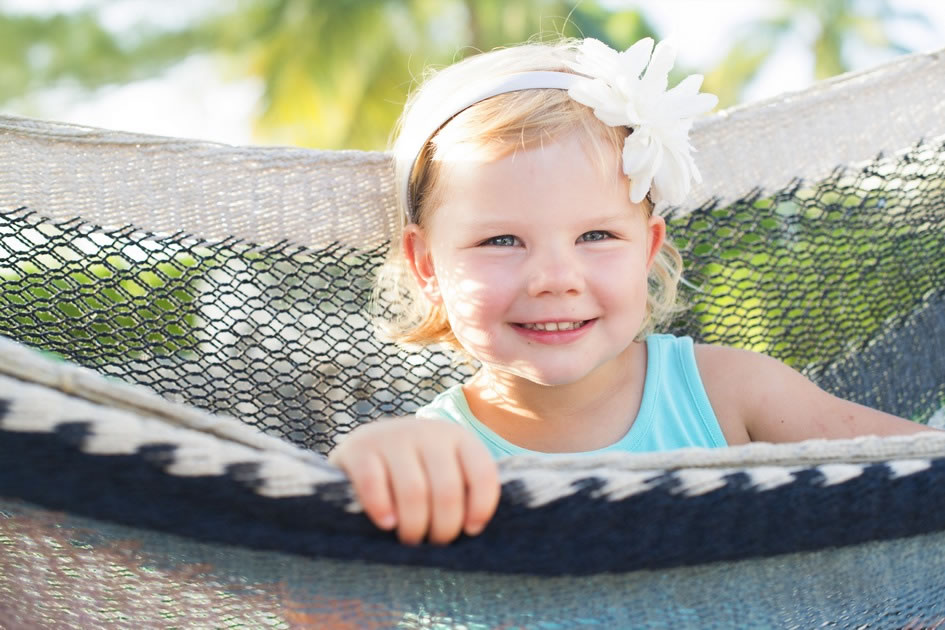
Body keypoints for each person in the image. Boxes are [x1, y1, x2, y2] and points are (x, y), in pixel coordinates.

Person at [328, 36, 933, 546]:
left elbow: (924, 471)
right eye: (502, 241)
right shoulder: (435, 456)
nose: (556, 279)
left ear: (647, 249)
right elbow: (330, 610)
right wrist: (357, 483)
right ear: (425, 263)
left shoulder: (731, 396)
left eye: (595, 235)